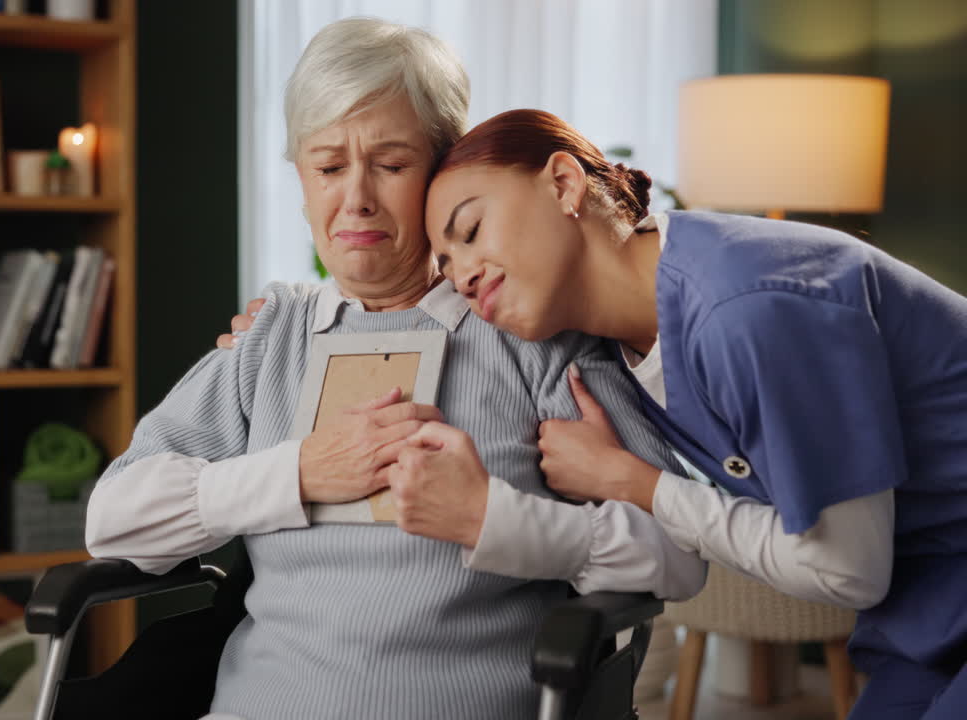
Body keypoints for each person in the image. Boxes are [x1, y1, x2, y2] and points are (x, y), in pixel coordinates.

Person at [88, 19, 704, 720]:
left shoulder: (533, 334)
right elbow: (113, 522)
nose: (355, 198)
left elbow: (678, 554)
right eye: (328, 167)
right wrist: (298, 473)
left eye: (391, 164)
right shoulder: (270, 336)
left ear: (443, 172)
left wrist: (493, 519)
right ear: (302, 183)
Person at [412, 107, 967, 719]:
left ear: (564, 184)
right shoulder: (619, 348)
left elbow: (847, 571)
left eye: (471, 230)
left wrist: (634, 482)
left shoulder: (747, 313)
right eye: (445, 265)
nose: (462, 277)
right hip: (929, 609)